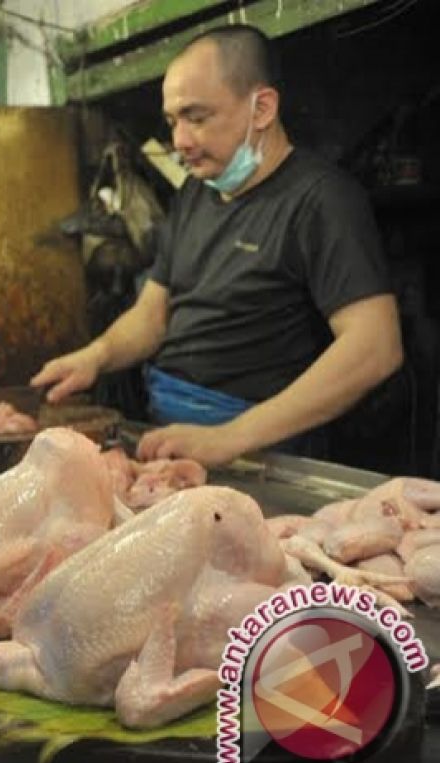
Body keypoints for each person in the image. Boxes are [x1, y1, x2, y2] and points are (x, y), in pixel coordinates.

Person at [31, 24, 403, 467]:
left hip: (264, 451)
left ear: (261, 108)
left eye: (197, 117)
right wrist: (95, 356)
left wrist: (231, 438)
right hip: (171, 433)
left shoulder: (321, 201)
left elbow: (375, 347)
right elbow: (153, 316)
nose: (179, 142)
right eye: (172, 121)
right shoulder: (195, 195)